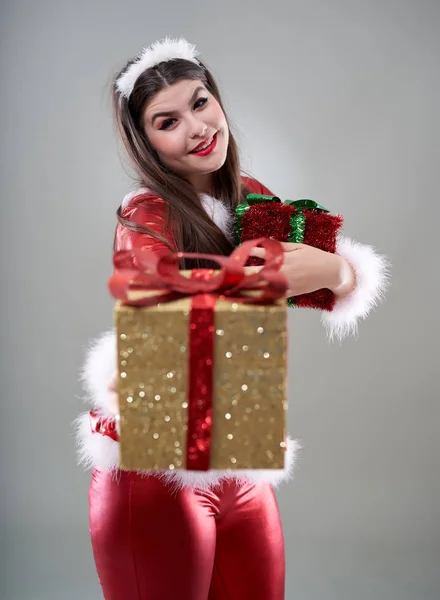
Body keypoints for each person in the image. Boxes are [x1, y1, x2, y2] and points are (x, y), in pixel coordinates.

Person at [75, 37, 388, 600]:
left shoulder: (251, 200)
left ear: (217, 99)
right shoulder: (144, 211)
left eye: (200, 103)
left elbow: (326, 280)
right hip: (157, 464)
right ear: (145, 141)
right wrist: (263, 279)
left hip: (240, 457)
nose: (196, 128)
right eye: (167, 121)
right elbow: (152, 296)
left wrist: (337, 272)